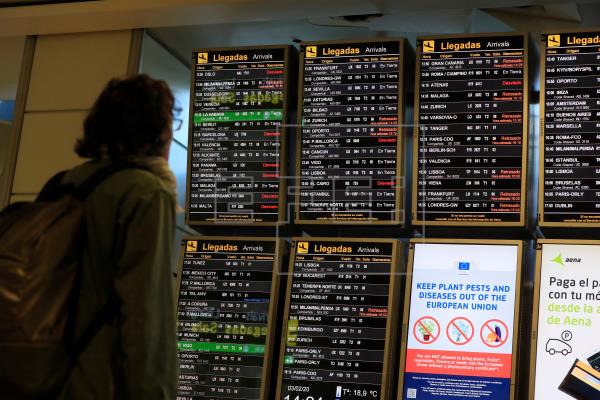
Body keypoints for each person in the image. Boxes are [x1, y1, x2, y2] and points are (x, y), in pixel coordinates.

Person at [57, 74, 179, 399]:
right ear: (157, 132)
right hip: (96, 383)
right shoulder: (146, 193)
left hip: (43, 376)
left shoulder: (67, 181)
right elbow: (147, 319)